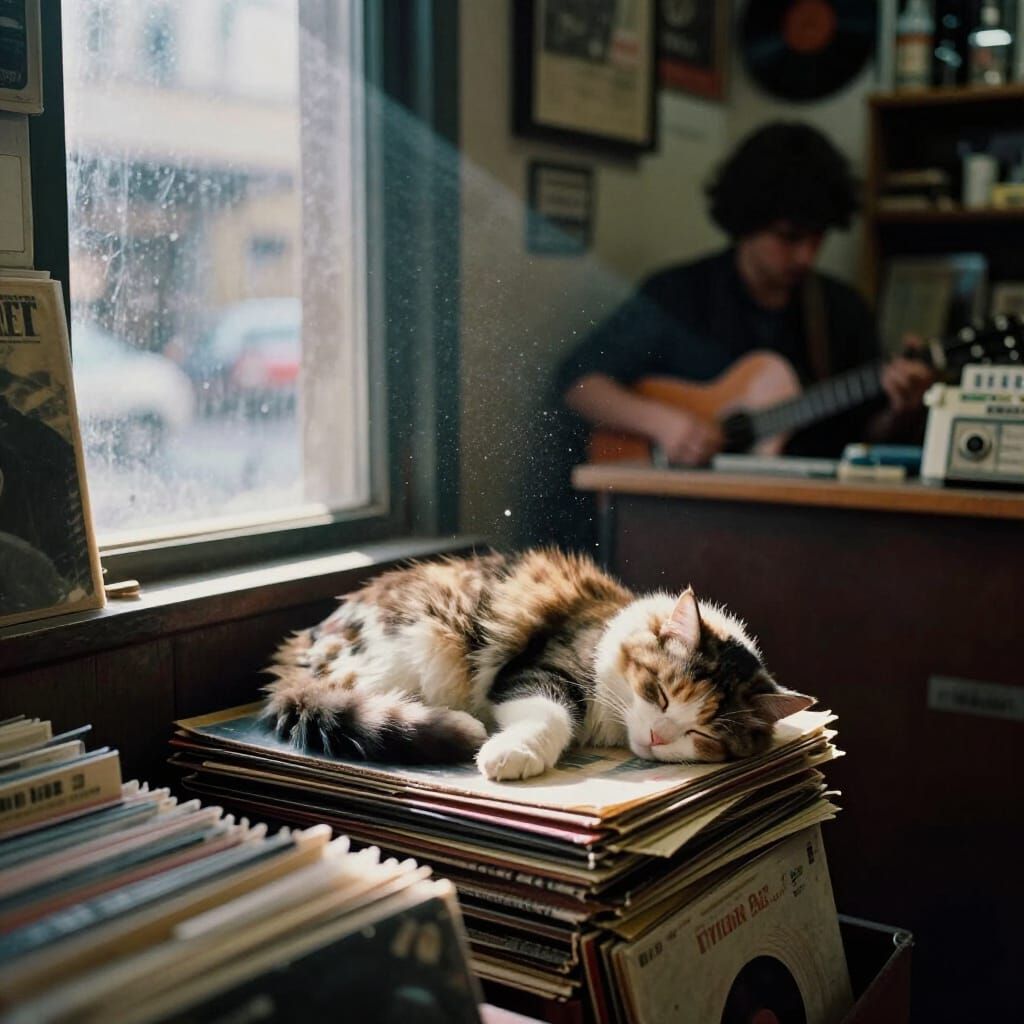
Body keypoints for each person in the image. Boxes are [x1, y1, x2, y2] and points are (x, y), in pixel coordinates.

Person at [556, 122, 935, 466]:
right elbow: (580, 384)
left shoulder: (842, 311)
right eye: (789, 237)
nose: (807, 255)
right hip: (681, 515)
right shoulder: (678, 293)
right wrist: (665, 424)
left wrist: (903, 408)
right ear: (746, 222)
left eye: (817, 237)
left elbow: (867, 437)